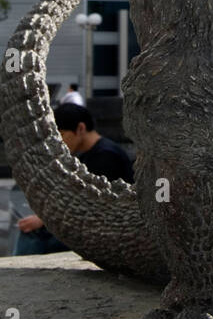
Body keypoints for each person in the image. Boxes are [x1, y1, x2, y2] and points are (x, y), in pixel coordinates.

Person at [14, 103, 134, 253]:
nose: (59, 142)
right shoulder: (91, 152)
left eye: (62, 135)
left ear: (80, 129)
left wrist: (44, 220)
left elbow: (93, 206)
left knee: (34, 235)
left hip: (105, 231)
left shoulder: (106, 156)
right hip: (94, 225)